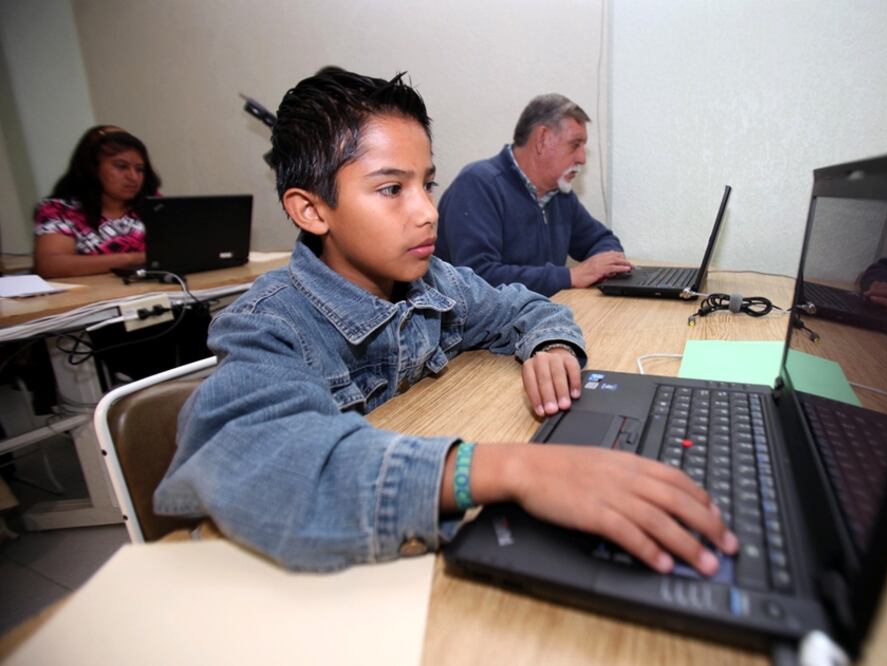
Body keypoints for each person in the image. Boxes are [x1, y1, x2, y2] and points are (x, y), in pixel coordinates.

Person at [154, 70, 736, 575]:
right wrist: (512, 469)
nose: (429, 210)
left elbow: (523, 306)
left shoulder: (436, 283)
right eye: (391, 189)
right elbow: (273, 467)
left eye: (425, 183)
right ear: (311, 209)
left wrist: (550, 343)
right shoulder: (265, 324)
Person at [434, 94, 633, 296]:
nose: (582, 158)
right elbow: (477, 278)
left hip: (539, 318)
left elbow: (601, 240)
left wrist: (607, 264)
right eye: (575, 145)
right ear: (542, 139)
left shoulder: (559, 193)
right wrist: (570, 276)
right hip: (481, 326)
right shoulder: (478, 185)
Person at [33, 125, 161, 278]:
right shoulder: (59, 210)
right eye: (121, 166)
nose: (133, 177)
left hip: (156, 295)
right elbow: (50, 265)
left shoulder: (153, 204)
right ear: (92, 168)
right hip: (93, 298)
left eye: (140, 169)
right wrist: (133, 259)